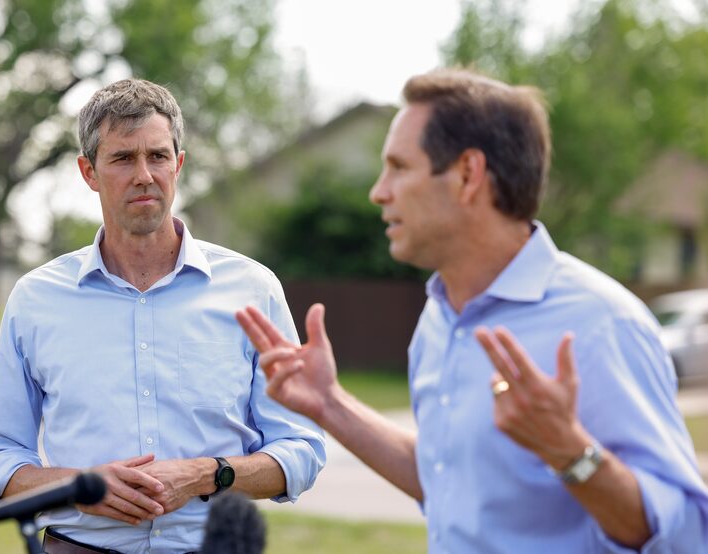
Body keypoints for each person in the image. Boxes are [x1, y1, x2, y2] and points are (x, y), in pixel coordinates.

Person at [236, 68, 708, 553]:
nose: (379, 191)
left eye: (399, 167)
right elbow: (450, 483)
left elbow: (686, 533)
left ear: (467, 175)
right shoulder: (440, 320)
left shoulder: (602, 323)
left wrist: (569, 451)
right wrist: (330, 404)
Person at [0, 79, 325, 554]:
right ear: (89, 171)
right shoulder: (36, 299)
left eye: (157, 156)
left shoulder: (252, 291)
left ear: (178, 165)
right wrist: (83, 488)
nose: (144, 174)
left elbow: (301, 449)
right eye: (122, 158)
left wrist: (207, 474)